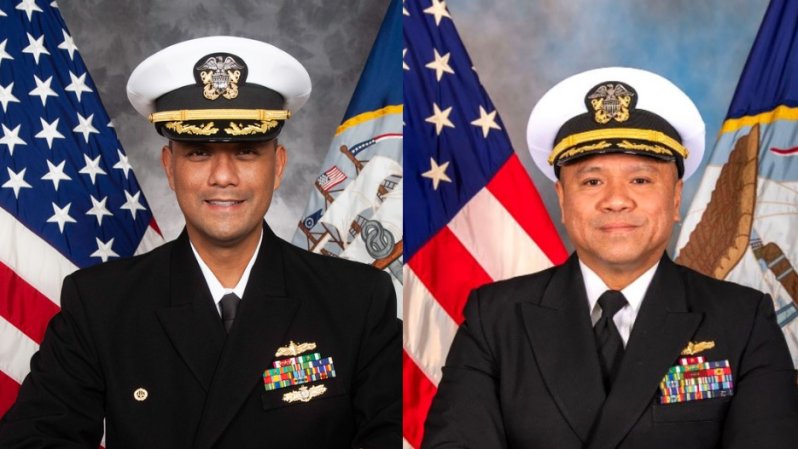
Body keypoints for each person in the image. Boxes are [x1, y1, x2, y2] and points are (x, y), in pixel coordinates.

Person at [0, 36, 401, 448]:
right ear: (169, 168)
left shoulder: (357, 301)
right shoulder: (101, 304)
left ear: (277, 167)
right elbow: (33, 440)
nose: (223, 176)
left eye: (246, 152)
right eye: (198, 153)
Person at [422, 67, 798, 448]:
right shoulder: (496, 317)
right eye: (592, 181)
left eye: (641, 180)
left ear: (675, 198)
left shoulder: (743, 320)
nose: (616, 200)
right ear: (564, 201)